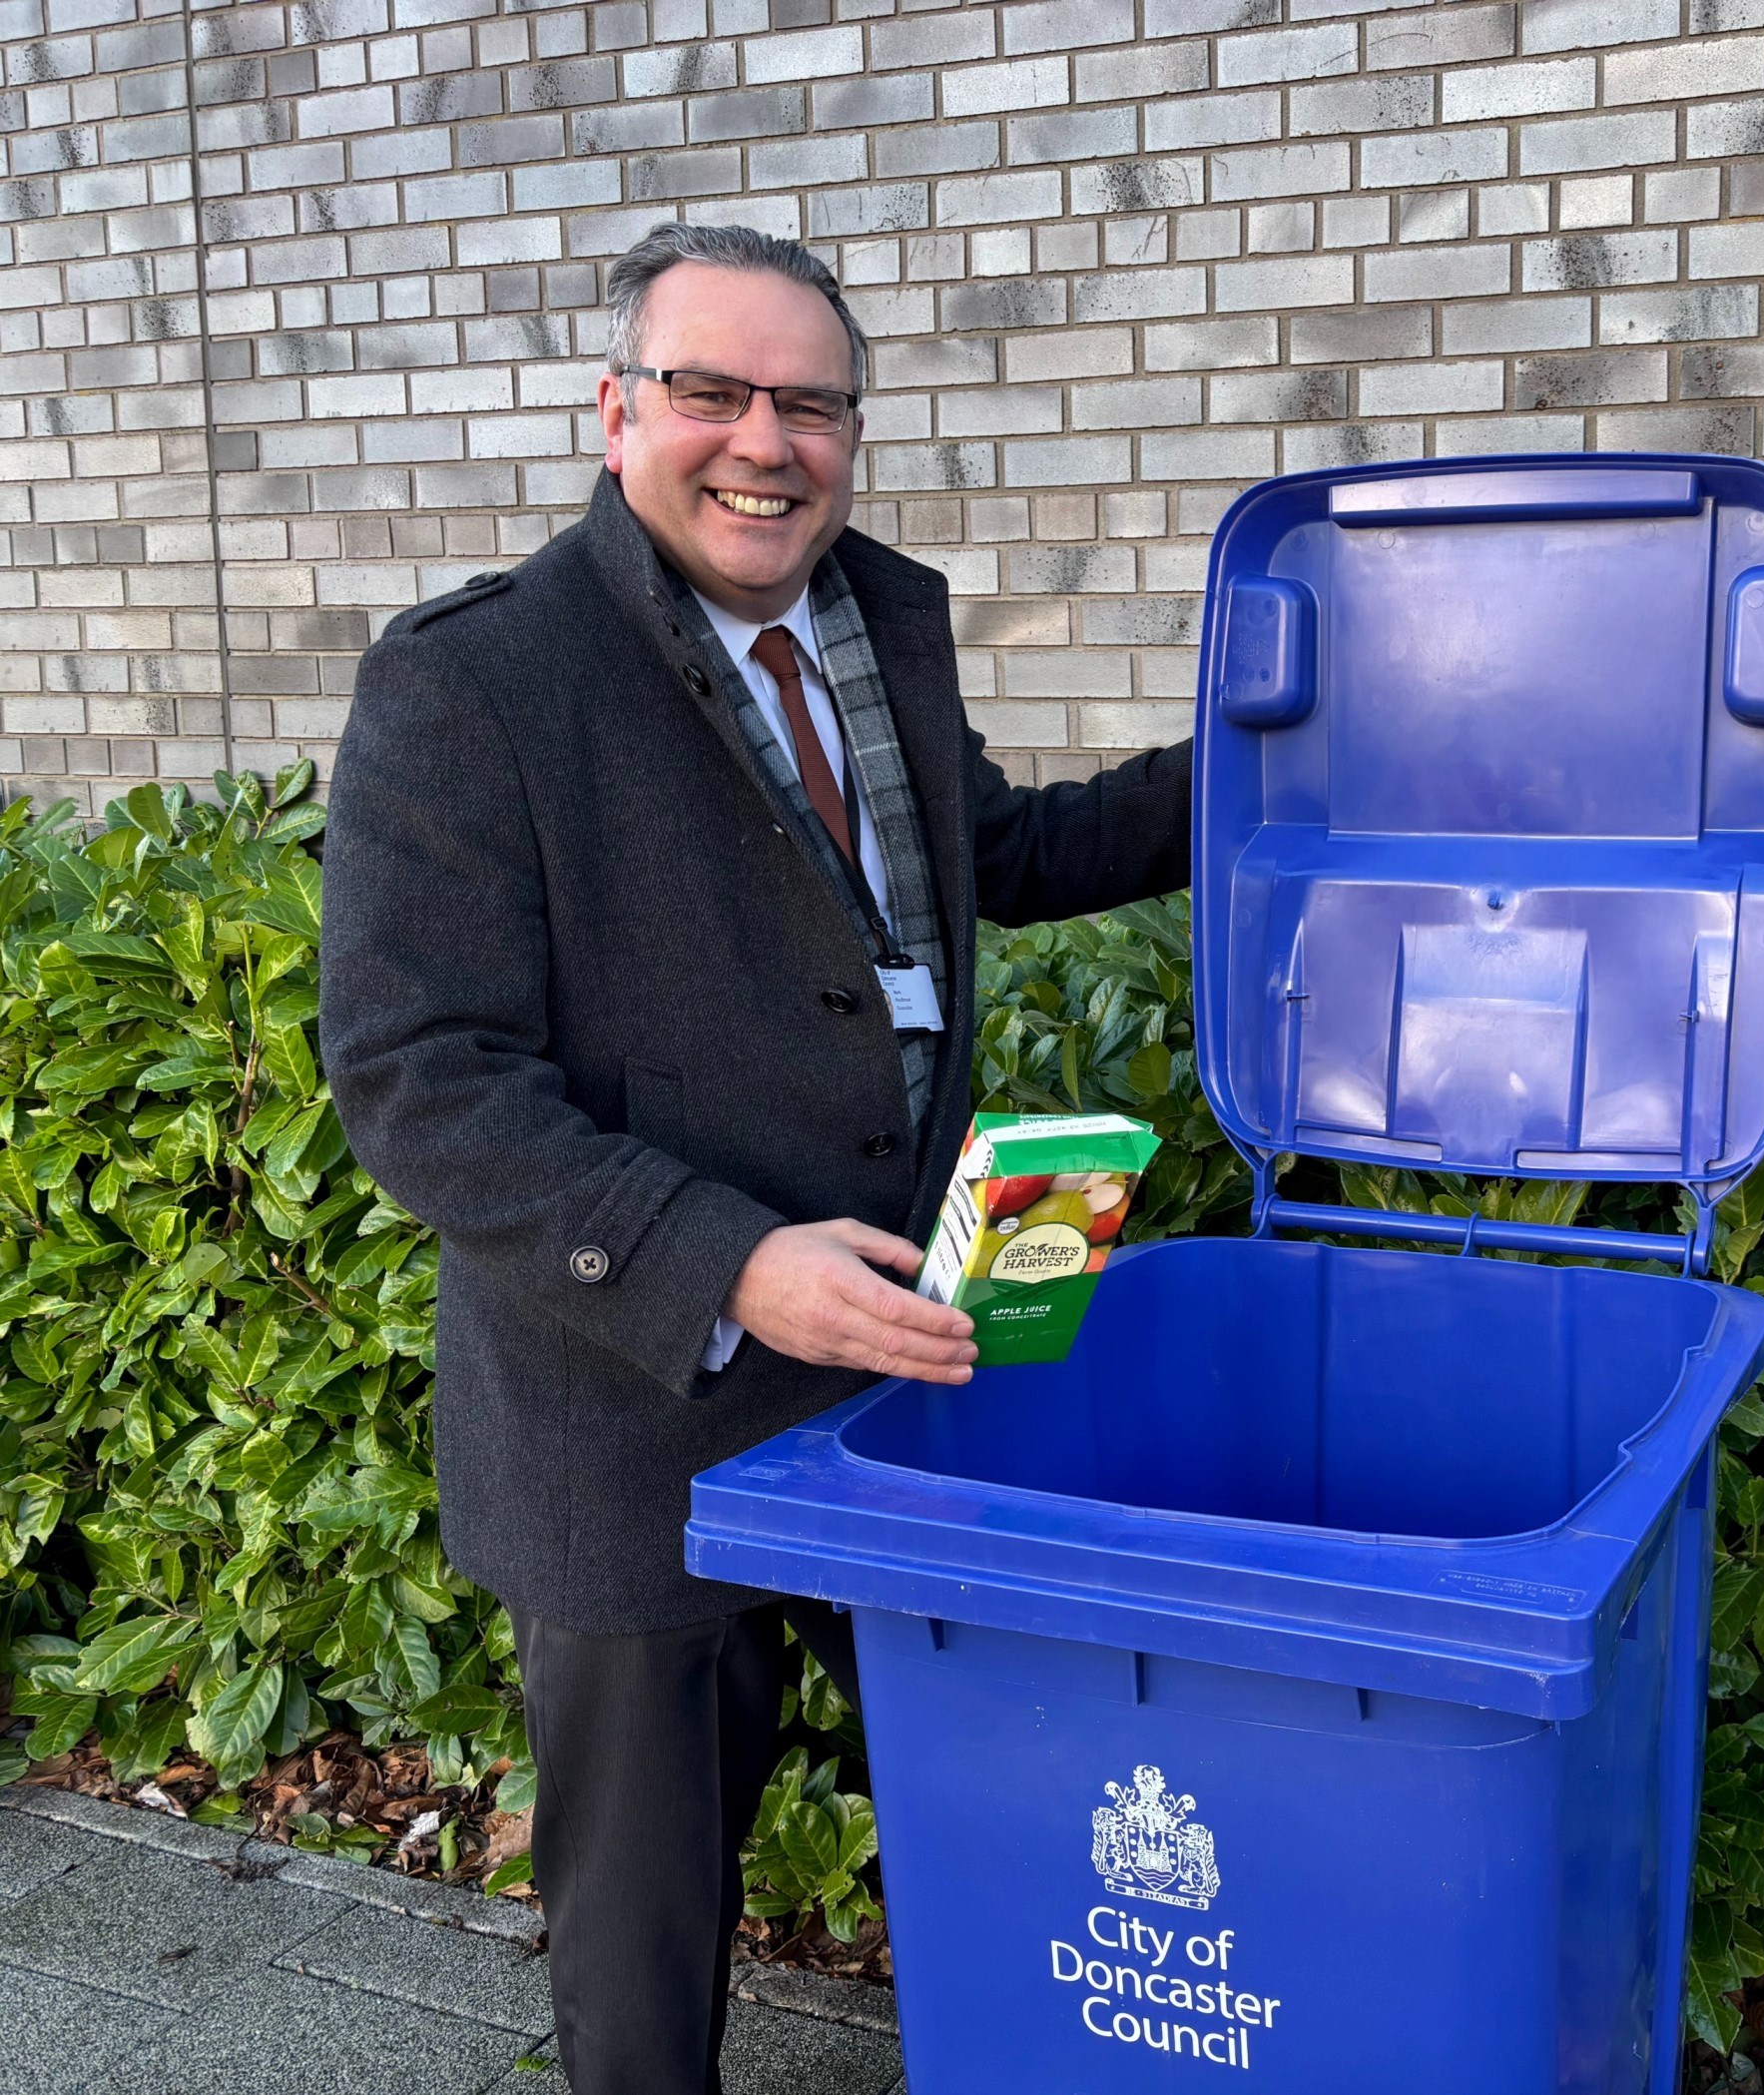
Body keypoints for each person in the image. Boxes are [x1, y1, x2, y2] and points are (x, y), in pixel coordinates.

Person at [318, 221, 1192, 2094]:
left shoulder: (871, 627)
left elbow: (993, 858)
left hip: (903, 1358)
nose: (762, 440)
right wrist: (720, 1260)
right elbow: (417, 1074)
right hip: (643, 1398)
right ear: (615, 408)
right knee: (643, 1929)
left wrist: (1258, 768)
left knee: (1000, 1808)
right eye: (712, 390)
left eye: (808, 401)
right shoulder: (474, 683)